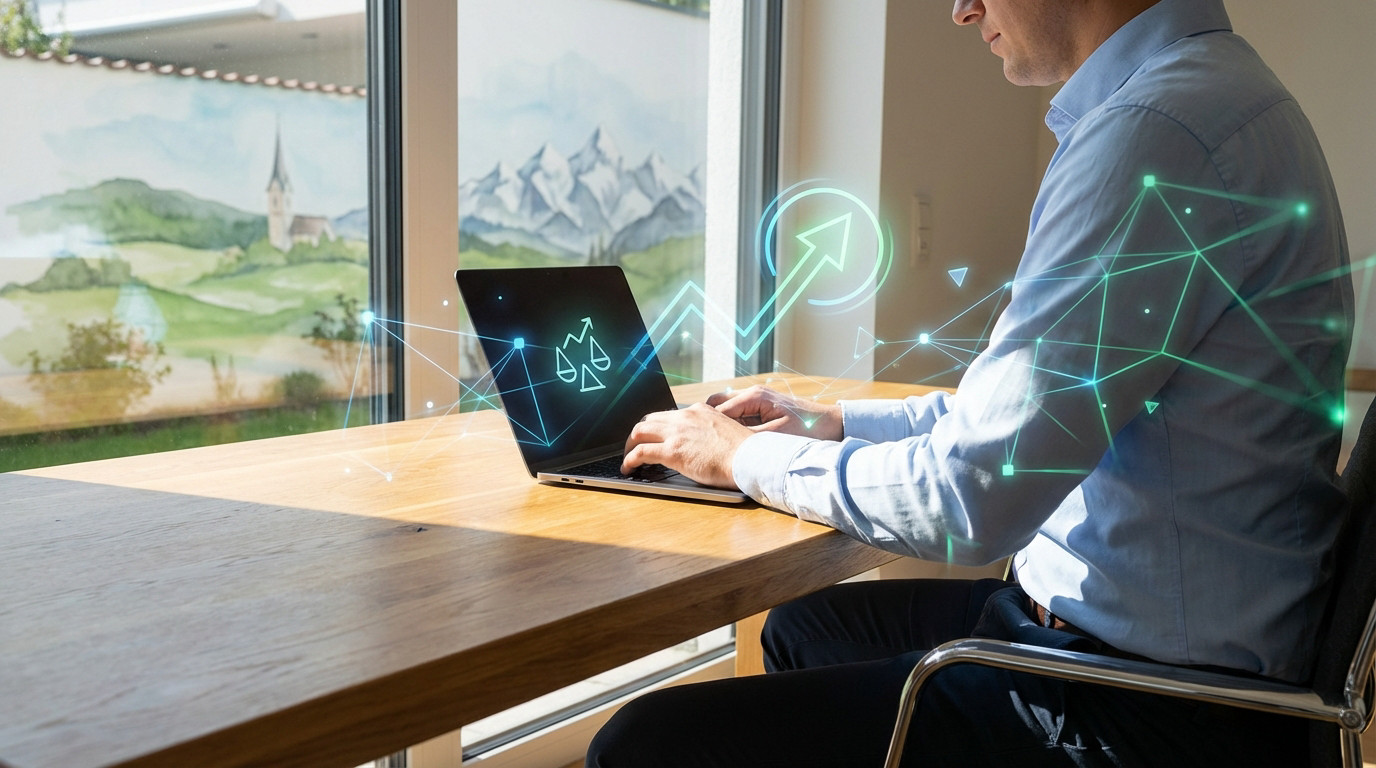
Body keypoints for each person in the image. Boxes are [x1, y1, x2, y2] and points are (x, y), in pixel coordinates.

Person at [587, 0, 1353, 764]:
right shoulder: (1218, 98)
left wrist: (738, 458)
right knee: (805, 629)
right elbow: (1022, 418)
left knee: (642, 745)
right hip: (1148, 648)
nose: (961, 10)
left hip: (1146, 704)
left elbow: (973, 495)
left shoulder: (1157, 133)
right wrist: (828, 423)